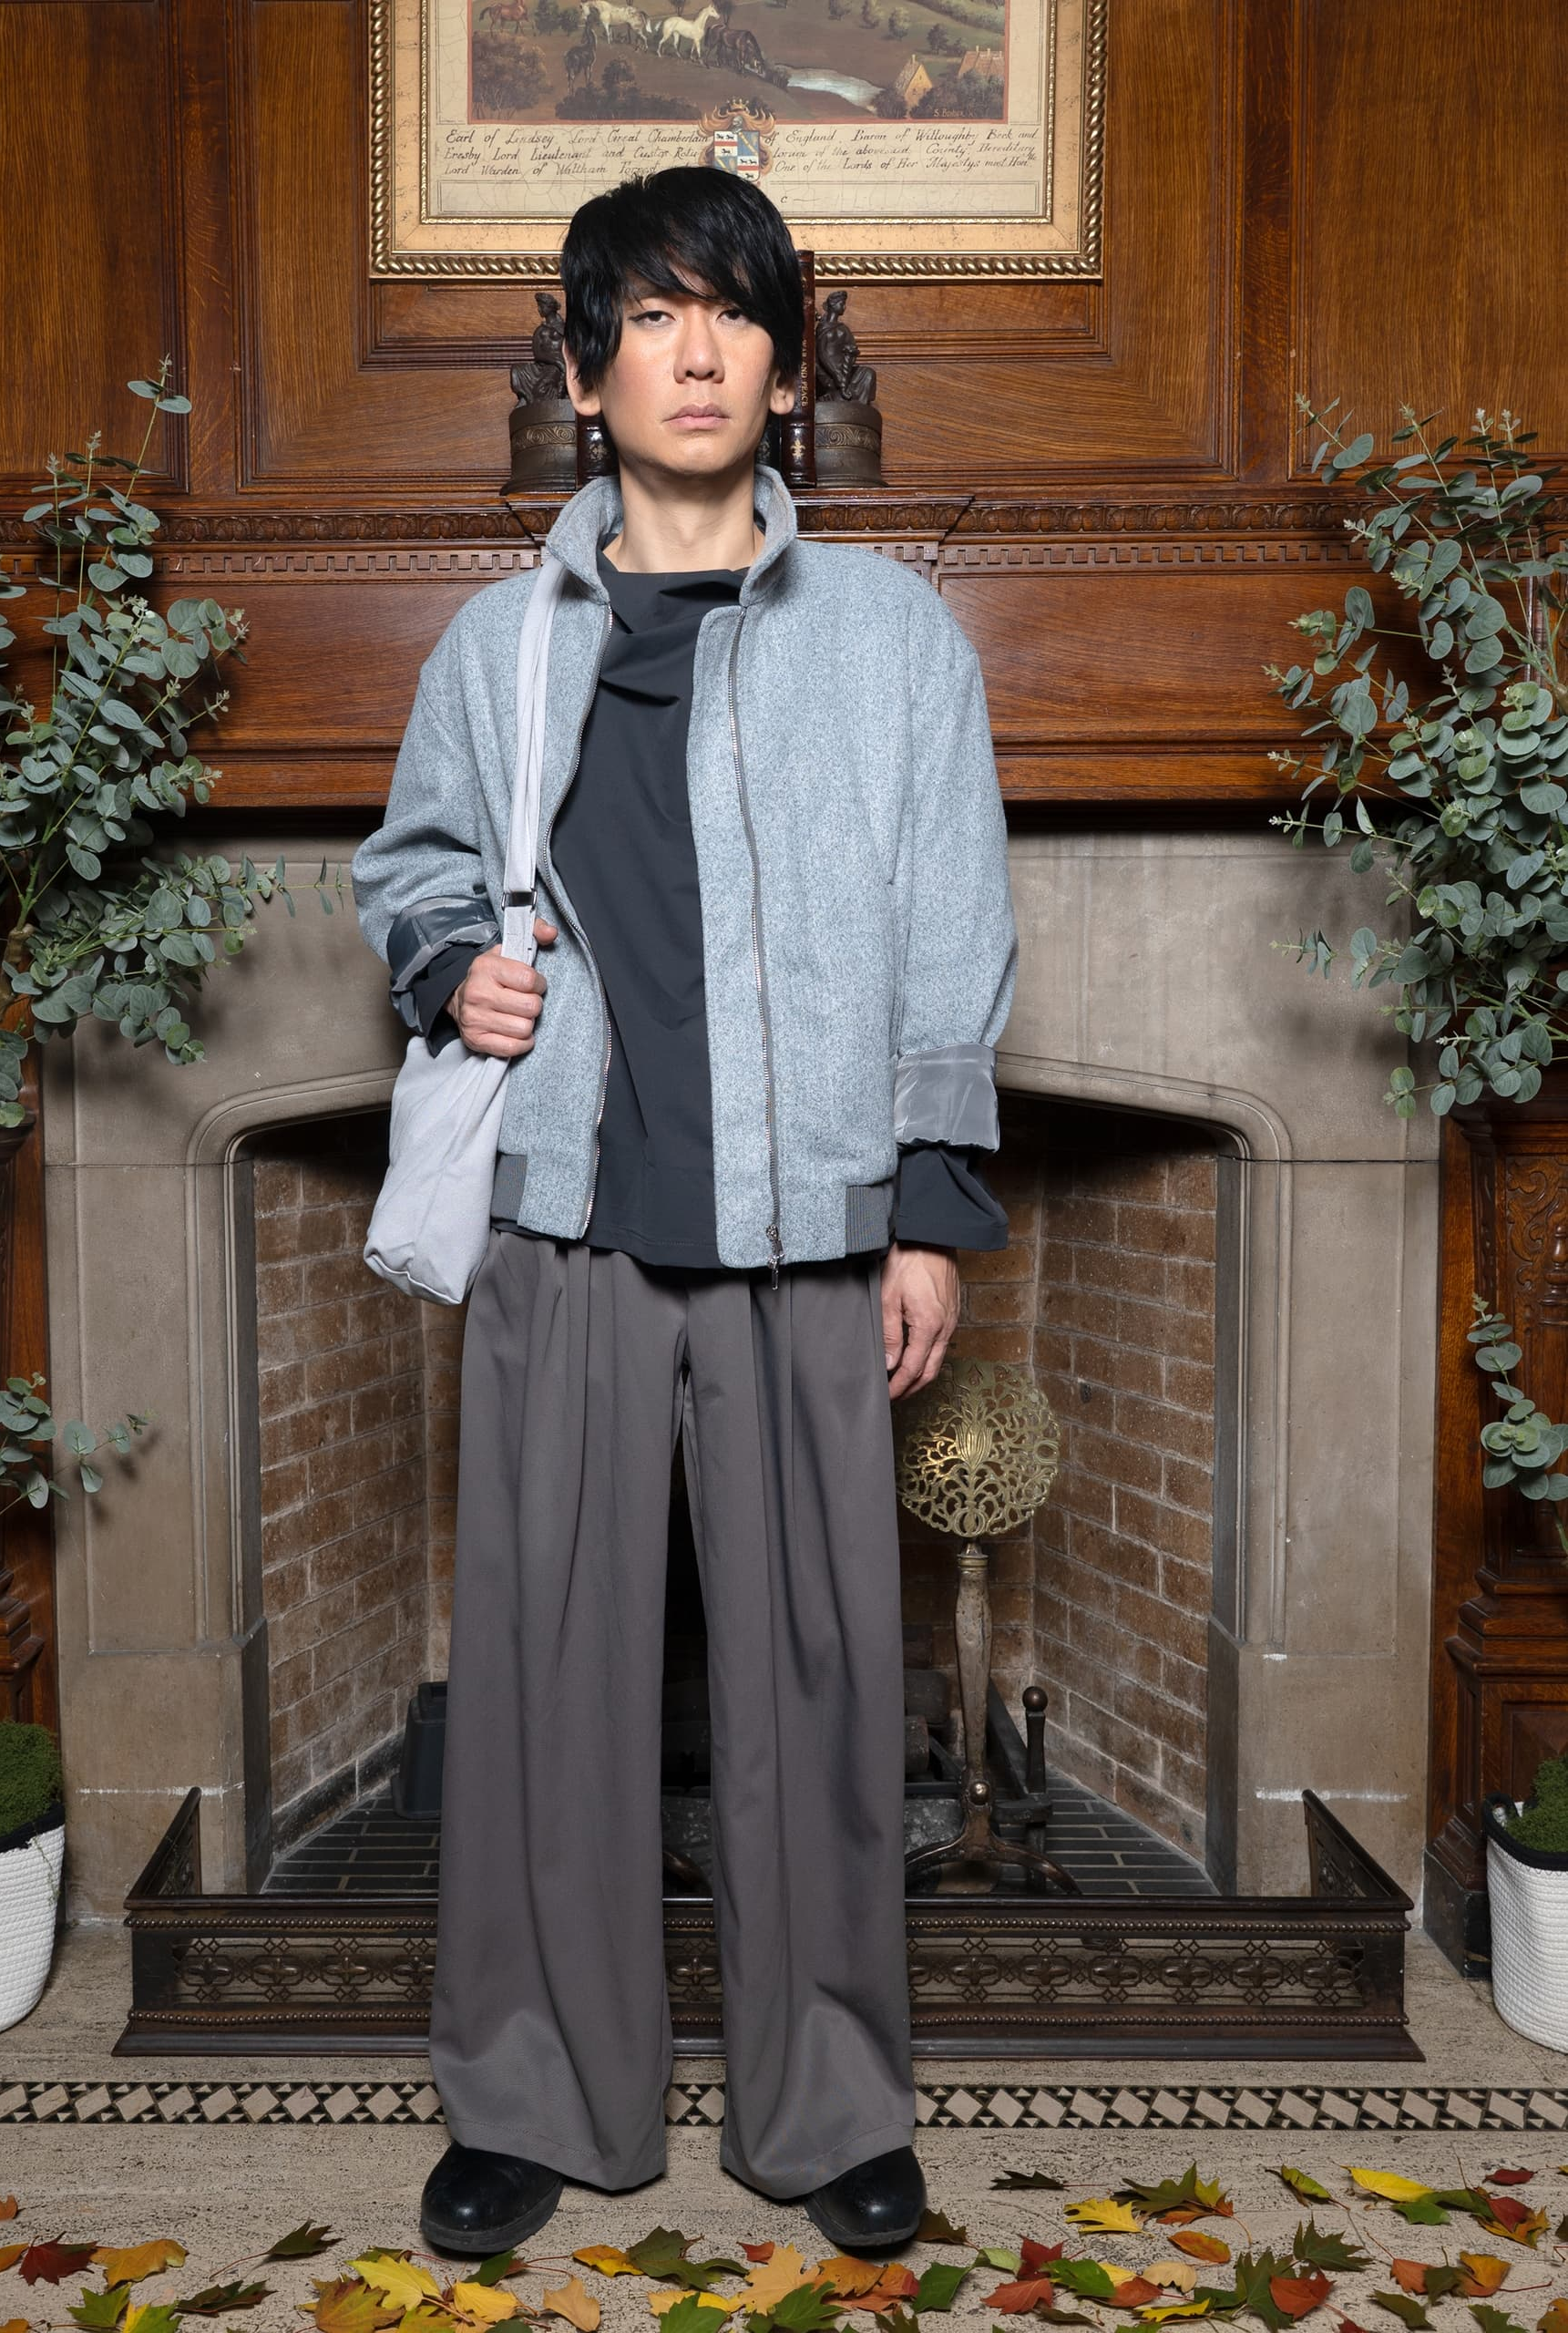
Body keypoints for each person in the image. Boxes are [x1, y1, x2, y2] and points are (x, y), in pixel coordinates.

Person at [351, 166, 1017, 2259]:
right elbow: (413, 866)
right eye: (647, 316)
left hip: (809, 1227)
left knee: (819, 1678)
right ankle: (532, 2091)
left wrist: (923, 1207)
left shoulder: (892, 639)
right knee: (544, 1673)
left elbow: (950, 932)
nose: (695, 351)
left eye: (731, 313)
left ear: (789, 367)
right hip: (561, 1223)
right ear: (582, 374)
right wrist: (447, 962)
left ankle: (828, 2105)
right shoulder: (496, 645)